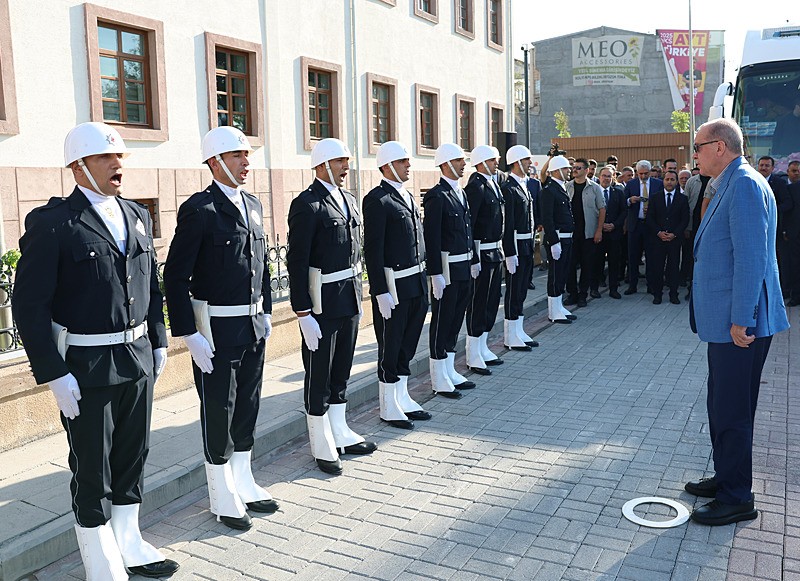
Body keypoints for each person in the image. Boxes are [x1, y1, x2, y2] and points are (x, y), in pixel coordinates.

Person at [13, 122, 178, 579]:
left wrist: (158, 339)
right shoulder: (54, 224)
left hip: (136, 357)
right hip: (86, 367)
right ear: (78, 166)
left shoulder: (136, 214)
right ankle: (100, 558)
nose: (117, 164)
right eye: (106, 157)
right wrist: (53, 372)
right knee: (92, 465)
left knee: (133, 455)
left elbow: (151, 285)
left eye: (120, 156)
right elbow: (29, 305)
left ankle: (129, 540)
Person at [164, 126, 277, 530]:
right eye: (236, 156)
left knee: (248, 405)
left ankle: (243, 478)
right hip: (217, 332)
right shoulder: (200, 210)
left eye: (247, 156)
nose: (246, 163)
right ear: (214, 162)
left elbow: (261, 262)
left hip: (252, 326)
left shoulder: (253, 204)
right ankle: (221, 492)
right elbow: (175, 276)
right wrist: (189, 334)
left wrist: (266, 308)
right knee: (219, 410)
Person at [685, 118, 790, 525]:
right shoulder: (732, 181)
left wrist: (742, 320)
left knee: (732, 410)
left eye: (698, 147)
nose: (694, 155)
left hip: (740, 326)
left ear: (720, 147)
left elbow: (750, 259)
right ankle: (727, 477)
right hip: (731, 322)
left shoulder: (744, 184)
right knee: (722, 404)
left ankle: (736, 497)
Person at [286, 138, 377, 475]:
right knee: (319, 375)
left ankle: (340, 430)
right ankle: (320, 441)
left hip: (348, 298)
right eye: (340, 161)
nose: (346, 167)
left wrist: (360, 297)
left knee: (341, 371)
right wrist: (303, 312)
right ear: (322, 164)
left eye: (347, 161)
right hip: (322, 305)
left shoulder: (349, 200)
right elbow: (297, 262)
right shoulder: (307, 204)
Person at [362, 141, 430, 430]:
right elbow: (373, 250)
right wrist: (380, 291)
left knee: (408, 345)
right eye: (403, 161)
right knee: (390, 347)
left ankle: (402, 396)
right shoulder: (377, 200)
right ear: (388, 166)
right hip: (395, 286)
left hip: (416, 283)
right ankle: (388, 405)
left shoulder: (408, 196)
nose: (408, 165)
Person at [423, 143, 479, 397]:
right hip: (447, 270)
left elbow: (468, 230)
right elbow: (432, 238)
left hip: (463, 267)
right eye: (458, 160)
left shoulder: (460, 193)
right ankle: (438, 377)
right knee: (442, 321)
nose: (463, 164)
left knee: (456, 320)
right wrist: (435, 273)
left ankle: (449, 369)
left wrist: (474, 259)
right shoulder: (437, 196)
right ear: (445, 164)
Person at [464, 145, 506, 371]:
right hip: (482, 252)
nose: (496, 163)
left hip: (495, 252)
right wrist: (473, 257)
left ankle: (483, 346)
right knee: (478, 304)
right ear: (480, 163)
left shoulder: (492, 184)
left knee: (491, 302)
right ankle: (473, 353)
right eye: (492, 160)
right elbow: (469, 225)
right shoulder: (476, 187)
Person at [501, 145, 539, 350]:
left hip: (526, 243)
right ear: (516, 162)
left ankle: (518, 329)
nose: (530, 163)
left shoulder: (524, 184)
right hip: (516, 245)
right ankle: (510, 335)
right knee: (514, 291)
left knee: (522, 289)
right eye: (526, 160)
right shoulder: (509, 188)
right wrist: (510, 252)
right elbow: (508, 224)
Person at [564, 158, 605, 306]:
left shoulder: (595, 188)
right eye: (574, 167)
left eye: (578, 168)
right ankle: (572, 294)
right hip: (570, 234)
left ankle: (583, 294)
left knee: (587, 265)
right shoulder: (567, 186)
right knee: (570, 265)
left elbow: (602, 209)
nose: (574, 170)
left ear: (587, 170)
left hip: (588, 234)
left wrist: (599, 230)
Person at [540, 155, 576, 324]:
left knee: (562, 274)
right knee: (555, 275)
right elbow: (547, 218)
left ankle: (559, 306)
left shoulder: (560, 188)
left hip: (566, 238)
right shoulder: (549, 190)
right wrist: (554, 242)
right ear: (556, 171)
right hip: (558, 238)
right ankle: (553, 311)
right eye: (566, 168)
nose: (569, 171)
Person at [645, 169, 689, 304]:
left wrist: (674, 234)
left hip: (674, 240)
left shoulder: (682, 199)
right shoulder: (655, 197)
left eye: (672, 180)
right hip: (658, 239)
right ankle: (657, 294)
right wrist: (658, 232)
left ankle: (673, 294)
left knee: (674, 268)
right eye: (667, 179)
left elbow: (685, 219)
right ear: (663, 181)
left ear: (676, 182)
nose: (669, 182)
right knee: (657, 268)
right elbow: (650, 218)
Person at [623, 160, 664, 295]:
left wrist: (653, 208)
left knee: (651, 257)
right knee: (633, 256)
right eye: (640, 174)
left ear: (650, 172)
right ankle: (632, 285)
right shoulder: (631, 184)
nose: (643, 176)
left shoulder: (658, 184)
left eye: (646, 173)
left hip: (651, 226)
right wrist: (630, 200)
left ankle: (651, 285)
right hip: (635, 225)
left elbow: (662, 202)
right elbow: (623, 202)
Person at [593, 165, 626, 299]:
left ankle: (613, 288)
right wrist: (600, 226)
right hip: (598, 233)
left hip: (614, 233)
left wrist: (614, 225)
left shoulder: (618, 193)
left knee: (614, 262)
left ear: (613, 178)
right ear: (599, 177)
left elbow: (624, 212)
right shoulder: (593, 192)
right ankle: (594, 288)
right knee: (597, 262)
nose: (606, 179)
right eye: (604, 176)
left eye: (609, 176)